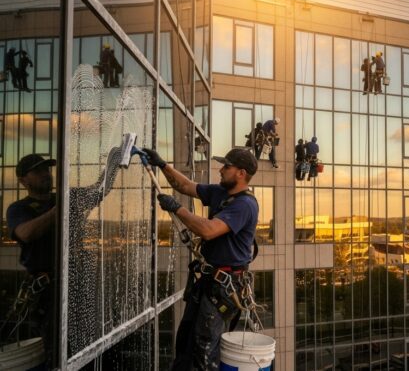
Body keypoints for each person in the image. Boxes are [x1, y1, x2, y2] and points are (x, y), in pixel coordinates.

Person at [140, 147, 259, 370]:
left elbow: (209, 230)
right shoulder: (221, 192)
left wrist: (177, 209)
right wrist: (162, 164)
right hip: (209, 282)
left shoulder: (245, 205)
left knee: (204, 350)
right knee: (186, 340)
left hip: (223, 287)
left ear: (241, 173)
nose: (221, 169)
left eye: (227, 166)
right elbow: (185, 185)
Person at [4, 151, 121, 367]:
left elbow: (99, 189)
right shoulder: (19, 209)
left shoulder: (67, 197)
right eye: (37, 171)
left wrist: (115, 161)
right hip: (50, 291)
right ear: (22, 181)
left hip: (77, 283)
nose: (45, 174)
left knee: (86, 344)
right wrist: (60, 210)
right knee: (57, 349)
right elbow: (25, 233)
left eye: (46, 169)